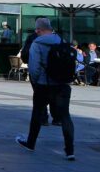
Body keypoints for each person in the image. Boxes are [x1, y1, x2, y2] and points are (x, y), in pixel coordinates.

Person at [16, 17, 76, 161]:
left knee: (37, 114)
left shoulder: (37, 43)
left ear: (38, 30)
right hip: (62, 84)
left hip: (44, 84)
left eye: (36, 30)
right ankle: (70, 150)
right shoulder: (60, 39)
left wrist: (37, 82)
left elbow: (34, 67)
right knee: (65, 116)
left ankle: (31, 143)